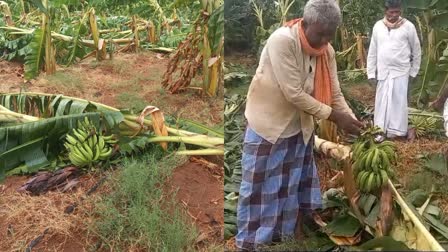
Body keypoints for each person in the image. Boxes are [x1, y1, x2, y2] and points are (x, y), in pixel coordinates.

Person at [236, 0, 363, 250]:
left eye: (330, 34)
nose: (324, 40)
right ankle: (252, 243)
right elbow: (293, 93)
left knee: (289, 185)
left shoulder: (326, 51)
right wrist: (335, 117)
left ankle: (283, 237)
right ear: (305, 24)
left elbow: (335, 94)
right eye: (320, 33)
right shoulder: (282, 41)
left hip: (299, 127)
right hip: (268, 125)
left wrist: (352, 120)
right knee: (260, 187)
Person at [367, 0, 421, 141]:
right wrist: (371, 73)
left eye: (397, 12)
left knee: (398, 102)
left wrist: (413, 72)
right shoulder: (378, 26)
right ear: (386, 11)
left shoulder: (408, 27)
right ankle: (379, 131)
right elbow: (372, 51)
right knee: (381, 102)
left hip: (401, 72)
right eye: (391, 12)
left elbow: (417, 51)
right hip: (384, 72)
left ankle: (396, 133)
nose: (394, 15)